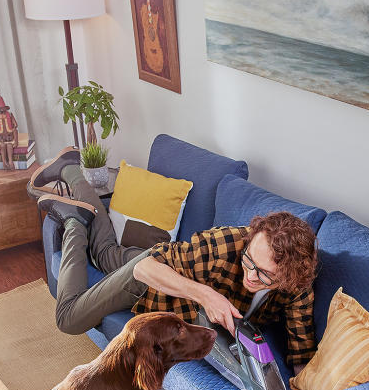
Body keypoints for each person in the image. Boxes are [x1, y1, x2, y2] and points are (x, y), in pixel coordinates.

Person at [29, 159, 318, 374]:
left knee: (105, 253)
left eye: (265, 274)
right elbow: (145, 269)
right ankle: (74, 222)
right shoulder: (227, 244)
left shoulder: (298, 290)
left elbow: (301, 356)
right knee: (69, 318)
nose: (250, 275)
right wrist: (206, 295)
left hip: (168, 262)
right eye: (248, 261)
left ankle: (70, 169)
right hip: (149, 279)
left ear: (290, 278)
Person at [0, 90, 18, 170]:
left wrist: (16, 140)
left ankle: (10, 161)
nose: (1, 110)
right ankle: (4, 162)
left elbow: (15, 125)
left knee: (9, 146)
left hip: (10, 137)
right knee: (2, 146)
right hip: (1, 137)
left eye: (2, 108)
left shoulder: (9, 115)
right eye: (0, 109)